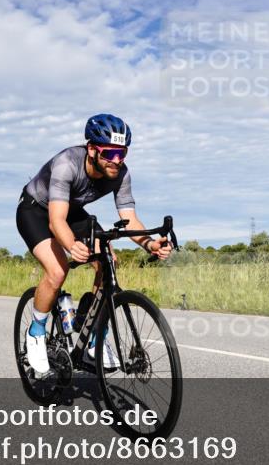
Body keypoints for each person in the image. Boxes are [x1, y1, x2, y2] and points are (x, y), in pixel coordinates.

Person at [17, 114, 172, 375]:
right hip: (36, 211)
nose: (117, 160)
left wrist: (150, 244)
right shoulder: (67, 164)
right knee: (57, 271)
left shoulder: (120, 173)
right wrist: (71, 245)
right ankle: (36, 332)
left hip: (72, 211)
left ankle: (92, 335)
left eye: (122, 153)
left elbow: (129, 218)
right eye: (109, 153)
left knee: (107, 260)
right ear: (91, 149)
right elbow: (56, 221)